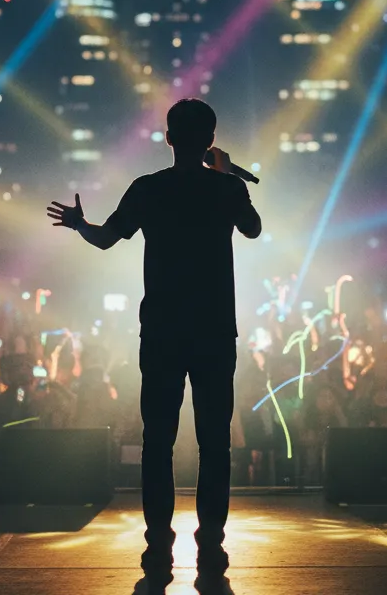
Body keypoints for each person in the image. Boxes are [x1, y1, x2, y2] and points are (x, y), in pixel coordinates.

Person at [48, 98, 261, 588]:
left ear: (168, 138)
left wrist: (80, 223)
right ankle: (211, 549)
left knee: (157, 445)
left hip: (163, 331)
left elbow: (105, 239)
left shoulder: (148, 189)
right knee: (215, 446)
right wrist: (226, 174)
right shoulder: (226, 187)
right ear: (210, 140)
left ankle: (158, 550)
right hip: (212, 331)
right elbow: (253, 228)